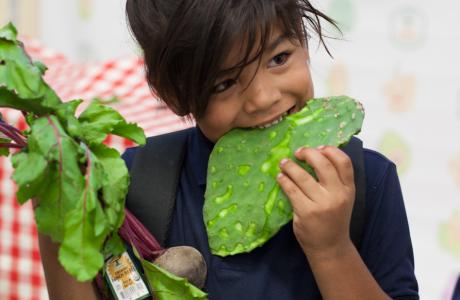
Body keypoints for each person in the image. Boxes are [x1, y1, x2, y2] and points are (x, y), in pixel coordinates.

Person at [38, 0, 419, 299]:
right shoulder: (137, 182)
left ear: (302, 39)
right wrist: (57, 218)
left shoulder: (370, 182)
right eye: (224, 84)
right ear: (172, 93)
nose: (264, 98)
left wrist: (332, 248)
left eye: (279, 58)